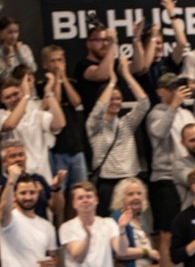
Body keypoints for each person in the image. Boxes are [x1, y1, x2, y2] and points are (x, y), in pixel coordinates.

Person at [147, 74, 195, 267]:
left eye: (178, 87)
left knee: (191, 227)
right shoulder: (155, 113)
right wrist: (173, 106)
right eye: (171, 88)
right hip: (165, 178)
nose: (176, 91)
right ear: (160, 91)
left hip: (188, 177)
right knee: (166, 232)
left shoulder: (187, 114)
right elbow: (159, 132)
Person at [87, 56, 150, 216]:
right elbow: (98, 109)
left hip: (131, 180)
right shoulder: (94, 125)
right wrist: (112, 82)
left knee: (135, 224)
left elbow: (144, 103)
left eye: (118, 98)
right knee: (109, 225)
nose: (115, 102)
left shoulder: (126, 123)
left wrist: (126, 75)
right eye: (111, 98)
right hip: (108, 184)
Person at [39, 44, 87, 205]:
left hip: (76, 147)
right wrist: (55, 82)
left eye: (60, 60)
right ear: (45, 65)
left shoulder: (72, 83)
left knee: (79, 191)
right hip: (57, 150)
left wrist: (63, 79)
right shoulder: (42, 86)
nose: (57, 65)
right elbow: (56, 102)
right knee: (60, 192)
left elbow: (76, 102)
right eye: (52, 61)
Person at [0, 72, 66, 184]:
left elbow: (59, 124)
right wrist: (26, 96)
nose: (13, 99)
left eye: (15, 94)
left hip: (42, 175)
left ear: (21, 92)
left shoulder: (35, 114)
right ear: (2, 100)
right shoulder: (2, 115)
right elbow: (10, 125)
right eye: (8, 97)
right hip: (16, 179)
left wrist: (48, 92)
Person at [130, 0, 188, 105]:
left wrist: (172, 15)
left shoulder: (168, 62)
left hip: (174, 108)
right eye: (153, 43)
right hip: (152, 112)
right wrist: (153, 36)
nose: (157, 46)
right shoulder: (138, 66)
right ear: (144, 45)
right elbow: (145, 67)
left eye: (159, 43)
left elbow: (182, 44)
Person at [75, 24, 117, 117]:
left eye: (106, 40)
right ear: (88, 44)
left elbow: (140, 68)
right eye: (99, 40)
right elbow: (101, 75)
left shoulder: (113, 63)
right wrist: (112, 44)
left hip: (114, 121)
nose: (104, 44)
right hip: (94, 122)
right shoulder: (82, 65)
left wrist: (136, 38)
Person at [0, 17, 36, 81]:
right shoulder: (1, 52)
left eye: (16, 32)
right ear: (1, 34)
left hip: (27, 85)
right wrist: (7, 59)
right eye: (10, 32)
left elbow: (32, 68)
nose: (14, 36)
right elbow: (3, 77)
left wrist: (20, 52)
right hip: (9, 86)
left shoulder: (24, 48)